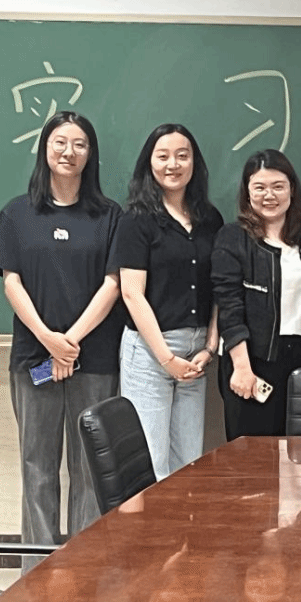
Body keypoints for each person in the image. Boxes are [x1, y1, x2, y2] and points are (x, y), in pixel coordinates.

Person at [0, 111, 123, 564]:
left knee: (91, 469)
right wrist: (49, 340)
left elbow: (113, 284)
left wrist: (70, 342)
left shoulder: (109, 215)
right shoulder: (16, 213)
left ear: (91, 153)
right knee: (38, 467)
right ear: (45, 148)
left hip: (94, 358)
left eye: (79, 144)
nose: (69, 152)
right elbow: (11, 282)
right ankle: (37, 571)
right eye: (60, 142)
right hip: (34, 359)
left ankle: (83, 569)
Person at [112, 124, 223, 478]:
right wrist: (165, 357)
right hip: (150, 352)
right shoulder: (137, 220)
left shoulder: (210, 219)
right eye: (163, 156)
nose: (173, 164)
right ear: (149, 163)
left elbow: (220, 287)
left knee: (188, 463)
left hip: (196, 353)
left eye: (182, 156)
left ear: (194, 163)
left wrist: (210, 347)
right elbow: (132, 293)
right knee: (151, 463)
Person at [212, 149, 301, 439]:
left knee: (300, 455)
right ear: (247, 192)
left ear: (292, 189)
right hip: (253, 360)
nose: (269, 195)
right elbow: (229, 307)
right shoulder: (233, 238)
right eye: (259, 187)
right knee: (252, 457)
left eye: (278, 186)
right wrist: (242, 367)